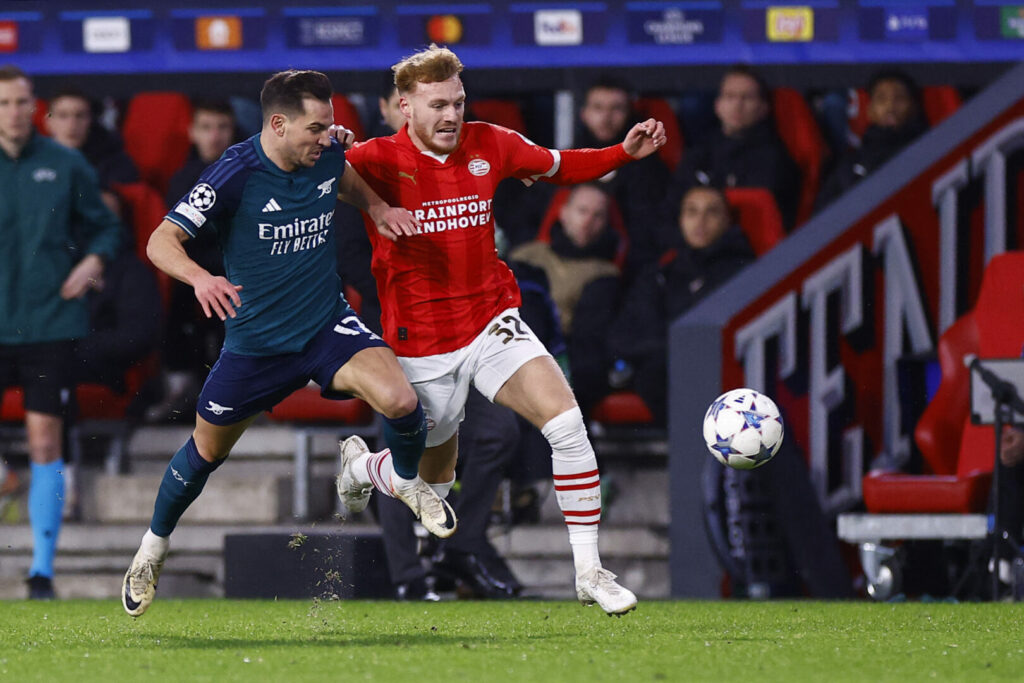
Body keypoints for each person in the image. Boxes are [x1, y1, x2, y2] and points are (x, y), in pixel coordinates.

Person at [334, 44, 667, 615]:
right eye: (437, 104)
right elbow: (300, 172)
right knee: (431, 487)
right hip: (423, 345)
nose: (450, 115)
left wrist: (623, 153)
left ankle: (589, 571)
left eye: (458, 102)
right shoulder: (372, 160)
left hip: (491, 320)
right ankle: (365, 467)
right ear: (404, 106)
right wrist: (325, 149)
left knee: (566, 423)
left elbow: (562, 165)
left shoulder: (493, 142)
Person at [121, 69, 456, 618]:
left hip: (325, 326)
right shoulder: (235, 173)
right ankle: (151, 550)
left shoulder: (323, 153)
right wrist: (201, 279)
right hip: (256, 345)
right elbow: (162, 240)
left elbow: (341, 176)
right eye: (316, 128)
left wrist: (375, 206)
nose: (327, 138)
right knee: (206, 453)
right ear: (278, 124)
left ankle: (398, 477)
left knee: (400, 399)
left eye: (330, 127)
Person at [0, 66, 122, 599]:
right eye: (4, 103)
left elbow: (107, 227)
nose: (14, 112)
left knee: (45, 439)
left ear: (35, 106)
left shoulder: (65, 163)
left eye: (22, 102)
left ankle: (41, 571)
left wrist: (91, 262)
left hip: (48, 321)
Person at [609, 186, 755, 424]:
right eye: (692, 212)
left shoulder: (741, 271)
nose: (700, 221)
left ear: (727, 220)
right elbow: (629, 328)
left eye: (712, 212)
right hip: (662, 366)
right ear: (680, 220)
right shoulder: (662, 272)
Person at [146, 100, 239, 422]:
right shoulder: (183, 178)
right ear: (192, 132)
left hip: (239, 269)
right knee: (176, 293)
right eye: (206, 127)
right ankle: (180, 387)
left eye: (222, 127)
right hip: (195, 271)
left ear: (233, 130)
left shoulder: (248, 173)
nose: (214, 136)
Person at [509, 183, 623, 418]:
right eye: (582, 211)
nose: (588, 221)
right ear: (563, 213)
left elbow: (587, 336)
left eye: (598, 215)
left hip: (562, 361)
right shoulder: (525, 256)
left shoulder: (604, 274)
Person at [666, 65, 800, 229]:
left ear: (763, 108)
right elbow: (672, 208)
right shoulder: (698, 152)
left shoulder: (774, 160)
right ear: (717, 105)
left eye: (747, 98)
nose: (737, 105)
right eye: (730, 96)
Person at [816, 70, 928, 209]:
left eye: (899, 98)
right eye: (881, 99)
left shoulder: (927, 157)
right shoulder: (850, 164)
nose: (890, 107)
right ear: (869, 110)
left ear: (913, 108)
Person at [45, 85, 139, 216]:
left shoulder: (113, 160)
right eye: (63, 116)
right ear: (48, 121)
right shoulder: (31, 160)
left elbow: (112, 207)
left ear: (90, 121)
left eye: (80, 116)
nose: (72, 124)